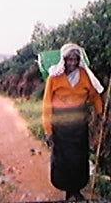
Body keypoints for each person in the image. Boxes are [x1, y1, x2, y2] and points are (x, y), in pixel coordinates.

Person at [42, 43, 104, 201]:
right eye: (69, 60)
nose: (72, 63)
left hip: (79, 127)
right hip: (60, 127)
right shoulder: (54, 78)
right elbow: (47, 105)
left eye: (75, 60)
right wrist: (48, 131)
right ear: (63, 60)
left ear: (79, 60)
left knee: (78, 158)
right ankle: (68, 190)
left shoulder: (85, 76)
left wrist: (100, 112)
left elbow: (95, 96)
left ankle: (76, 190)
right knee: (63, 160)